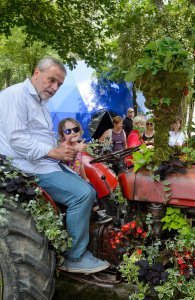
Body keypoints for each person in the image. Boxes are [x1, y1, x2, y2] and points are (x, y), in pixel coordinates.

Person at [0, 57, 109, 274]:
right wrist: (54, 152)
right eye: (52, 80)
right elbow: (18, 139)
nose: (55, 87)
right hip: (26, 167)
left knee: (91, 188)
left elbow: (37, 136)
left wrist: (63, 149)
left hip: (44, 162)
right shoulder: (15, 95)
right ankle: (74, 257)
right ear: (36, 73)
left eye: (59, 84)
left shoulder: (40, 101)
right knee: (82, 195)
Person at [58, 118, 112, 224]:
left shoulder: (78, 145)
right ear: (62, 135)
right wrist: (75, 149)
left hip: (77, 178)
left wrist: (85, 178)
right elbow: (64, 158)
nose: (73, 133)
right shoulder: (64, 146)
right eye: (68, 131)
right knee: (89, 189)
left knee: (91, 186)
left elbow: (80, 163)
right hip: (67, 179)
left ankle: (95, 210)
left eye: (75, 129)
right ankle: (95, 212)